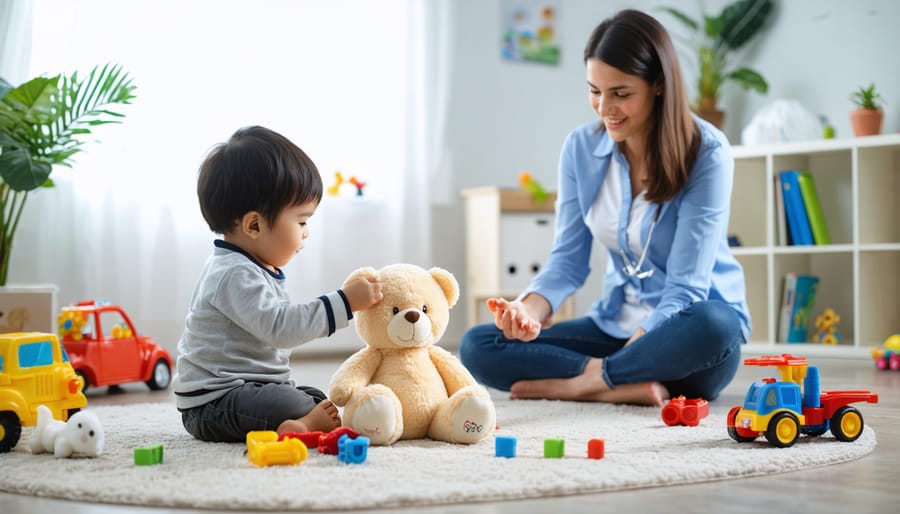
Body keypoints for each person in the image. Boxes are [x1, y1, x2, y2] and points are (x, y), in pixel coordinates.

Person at [459, 9, 750, 407]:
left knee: (716, 324)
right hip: (614, 326)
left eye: (621, 93)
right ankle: (622, 382)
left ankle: (583, 383)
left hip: (685, 337)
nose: (604, 108)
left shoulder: (707, 153)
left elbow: (686, 289)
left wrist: (619, 360)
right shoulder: (580, 148)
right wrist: (526, 310)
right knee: (478, 345)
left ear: (659, 86)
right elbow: (567, 262)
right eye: (595, 90)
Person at [173, 125, 383, 442]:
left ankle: (304, 417)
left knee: (313, 397)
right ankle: (301, 423)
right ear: (254, 225)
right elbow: (281, 328)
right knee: (291, 402)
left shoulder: (251, 266)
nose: (306, 232)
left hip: (246, 390)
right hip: (214, 403)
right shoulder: (233, 274)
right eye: (301, 221)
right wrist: (345, 302)